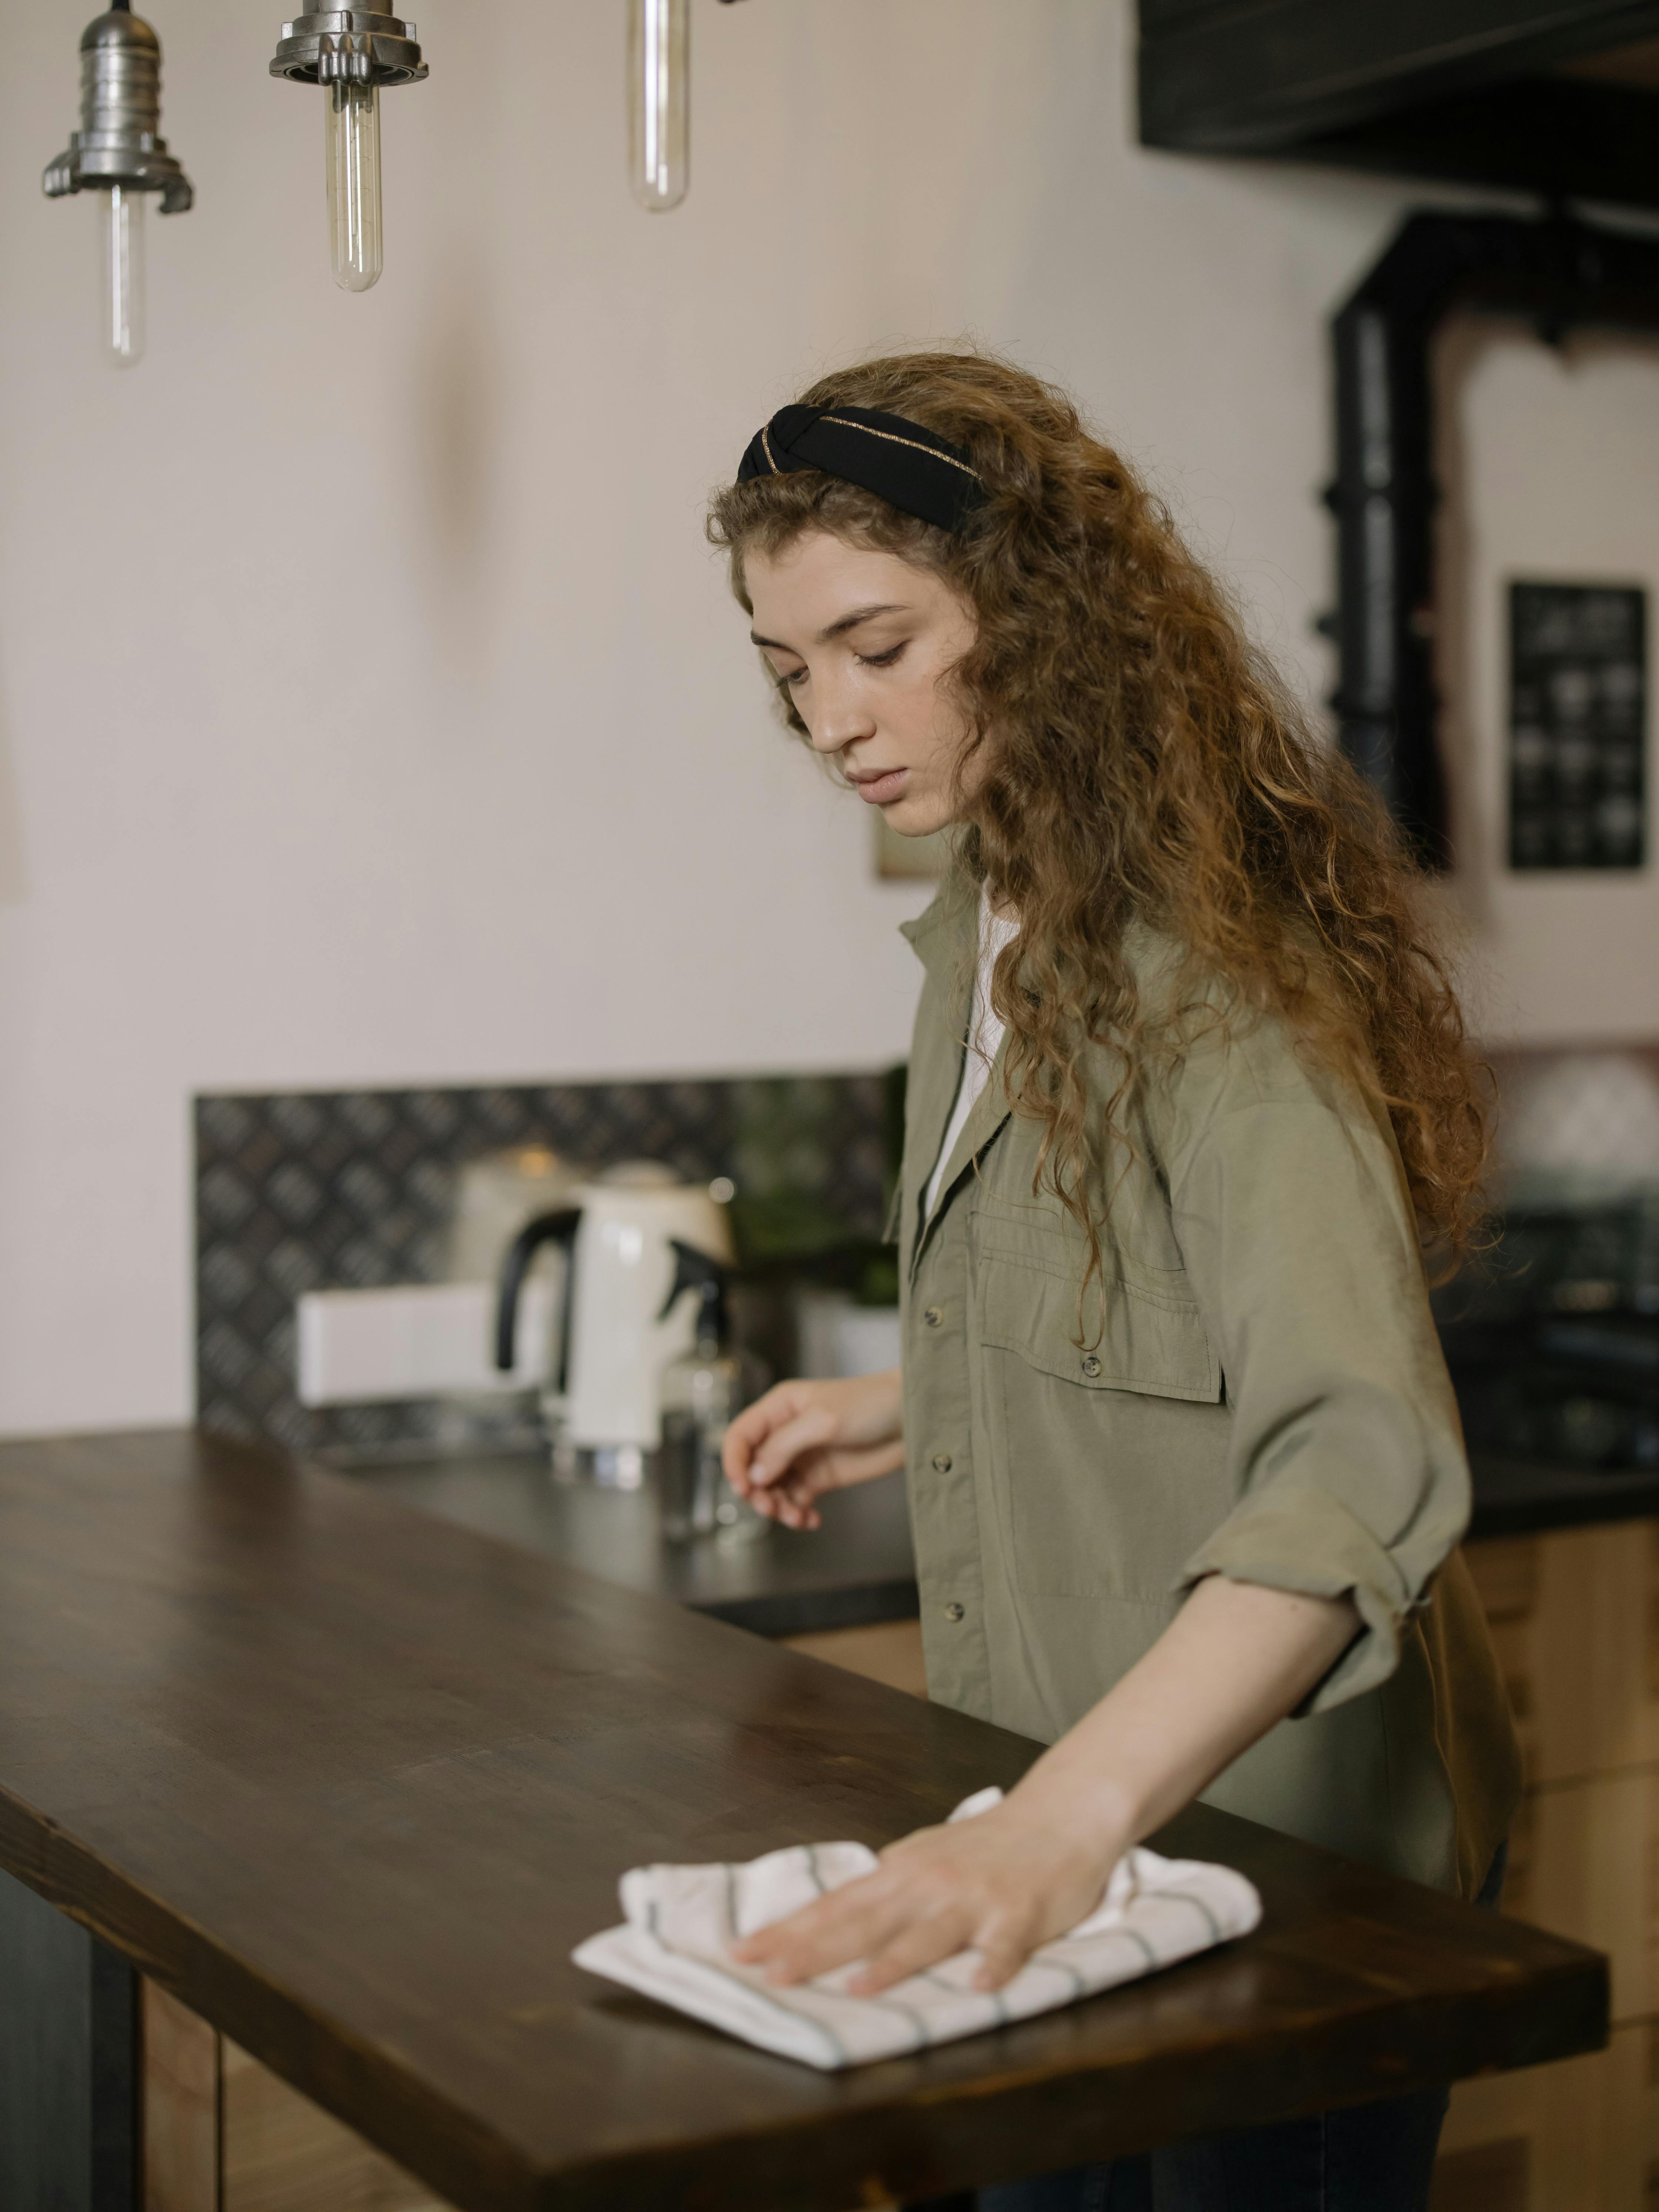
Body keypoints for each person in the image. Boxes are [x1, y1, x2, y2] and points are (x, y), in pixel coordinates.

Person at [711, 353, 1520, 2212]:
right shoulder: (984, 926)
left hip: (1276, 1866)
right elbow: (1130, 1287)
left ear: (1041, 612)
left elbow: (1353, 1463)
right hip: (1066, 1820)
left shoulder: (1220, 979)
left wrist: (1060, 1828)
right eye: (791, 670)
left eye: (876, 642)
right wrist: (909, 1389)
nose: (834, 716)